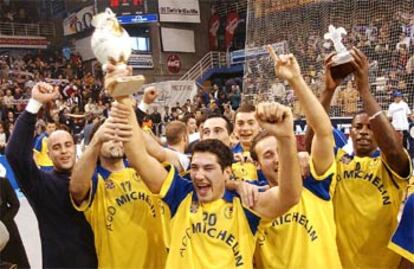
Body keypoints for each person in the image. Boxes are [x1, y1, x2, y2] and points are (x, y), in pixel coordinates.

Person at [110, 95, 302, 267]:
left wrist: (285, 138)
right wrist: (123, 99)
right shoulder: (180, 194)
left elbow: (290, 196)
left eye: (208, 168)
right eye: (194, 167)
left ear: (227, 172)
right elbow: (138, 158)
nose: (199, 175)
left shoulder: (245, 202)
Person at [306, 48, 412, 268]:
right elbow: (311, 143)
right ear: (350, 132)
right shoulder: (338, 162)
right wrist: (328, 90)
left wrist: (364, 91)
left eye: (371, 127)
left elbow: (393, 149)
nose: (364, 131)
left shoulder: (392, 166)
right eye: (358, 127)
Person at [250, 47, 341, 268]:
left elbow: (323, 131)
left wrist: (295, 79)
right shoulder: (254, 199)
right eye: (268, 155)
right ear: (256, 163)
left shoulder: (313, 182)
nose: (278, 159)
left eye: (280, 150)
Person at [5, 82, 97, 268]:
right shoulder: (41, 185)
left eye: (67, 145)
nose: (63, 151)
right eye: (56, 147)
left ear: (75, 148)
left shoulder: (94, 180)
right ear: (48, 154)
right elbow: (15, 153)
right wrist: (34, 104)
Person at [69, 116, 168, 268]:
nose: (116, 139)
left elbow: (170, 160)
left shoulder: (144, 170)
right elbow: (76, 189)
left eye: (119, 135)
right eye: (109, 136)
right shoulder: (95, 180)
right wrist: (96, 141)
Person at [0, 177, 30, 268]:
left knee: (19, 261)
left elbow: (15, 204)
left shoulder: (3, 182)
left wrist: (3, 222)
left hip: (9, 230)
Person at [387, 90, 412, 156]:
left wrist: (413, 121)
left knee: (405, 144)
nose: (398, 98)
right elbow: (389, 117)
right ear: (394, 97)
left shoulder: (404, 104)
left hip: (404, 128)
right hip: (395, 128)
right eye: (397, 96)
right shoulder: (391, 106)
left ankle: (406, 156)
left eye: (399, 96)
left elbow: (409, 114)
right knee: (396, 144)